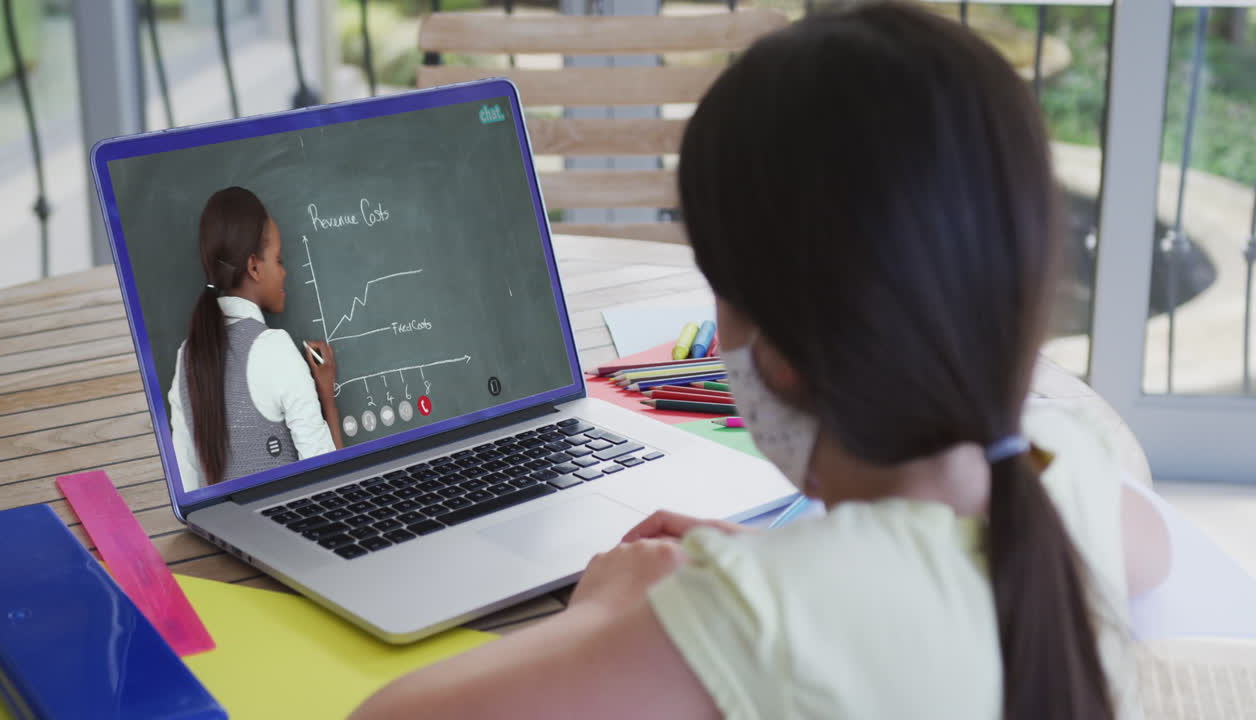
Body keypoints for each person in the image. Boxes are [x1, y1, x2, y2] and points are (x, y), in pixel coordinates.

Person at [351, 4, 1170, 718]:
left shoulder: (759, 619)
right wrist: (789, 561)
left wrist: (606, 615)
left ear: (775, 357)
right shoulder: (1068, 471)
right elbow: (1147, 551)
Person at [169, 186, 343, 490]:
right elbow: (329, 480)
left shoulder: (187, 357)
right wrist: (326, 395)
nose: (284, 272)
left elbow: (187, 485)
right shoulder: (274, 348)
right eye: (279, 260)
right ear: (253, 267)